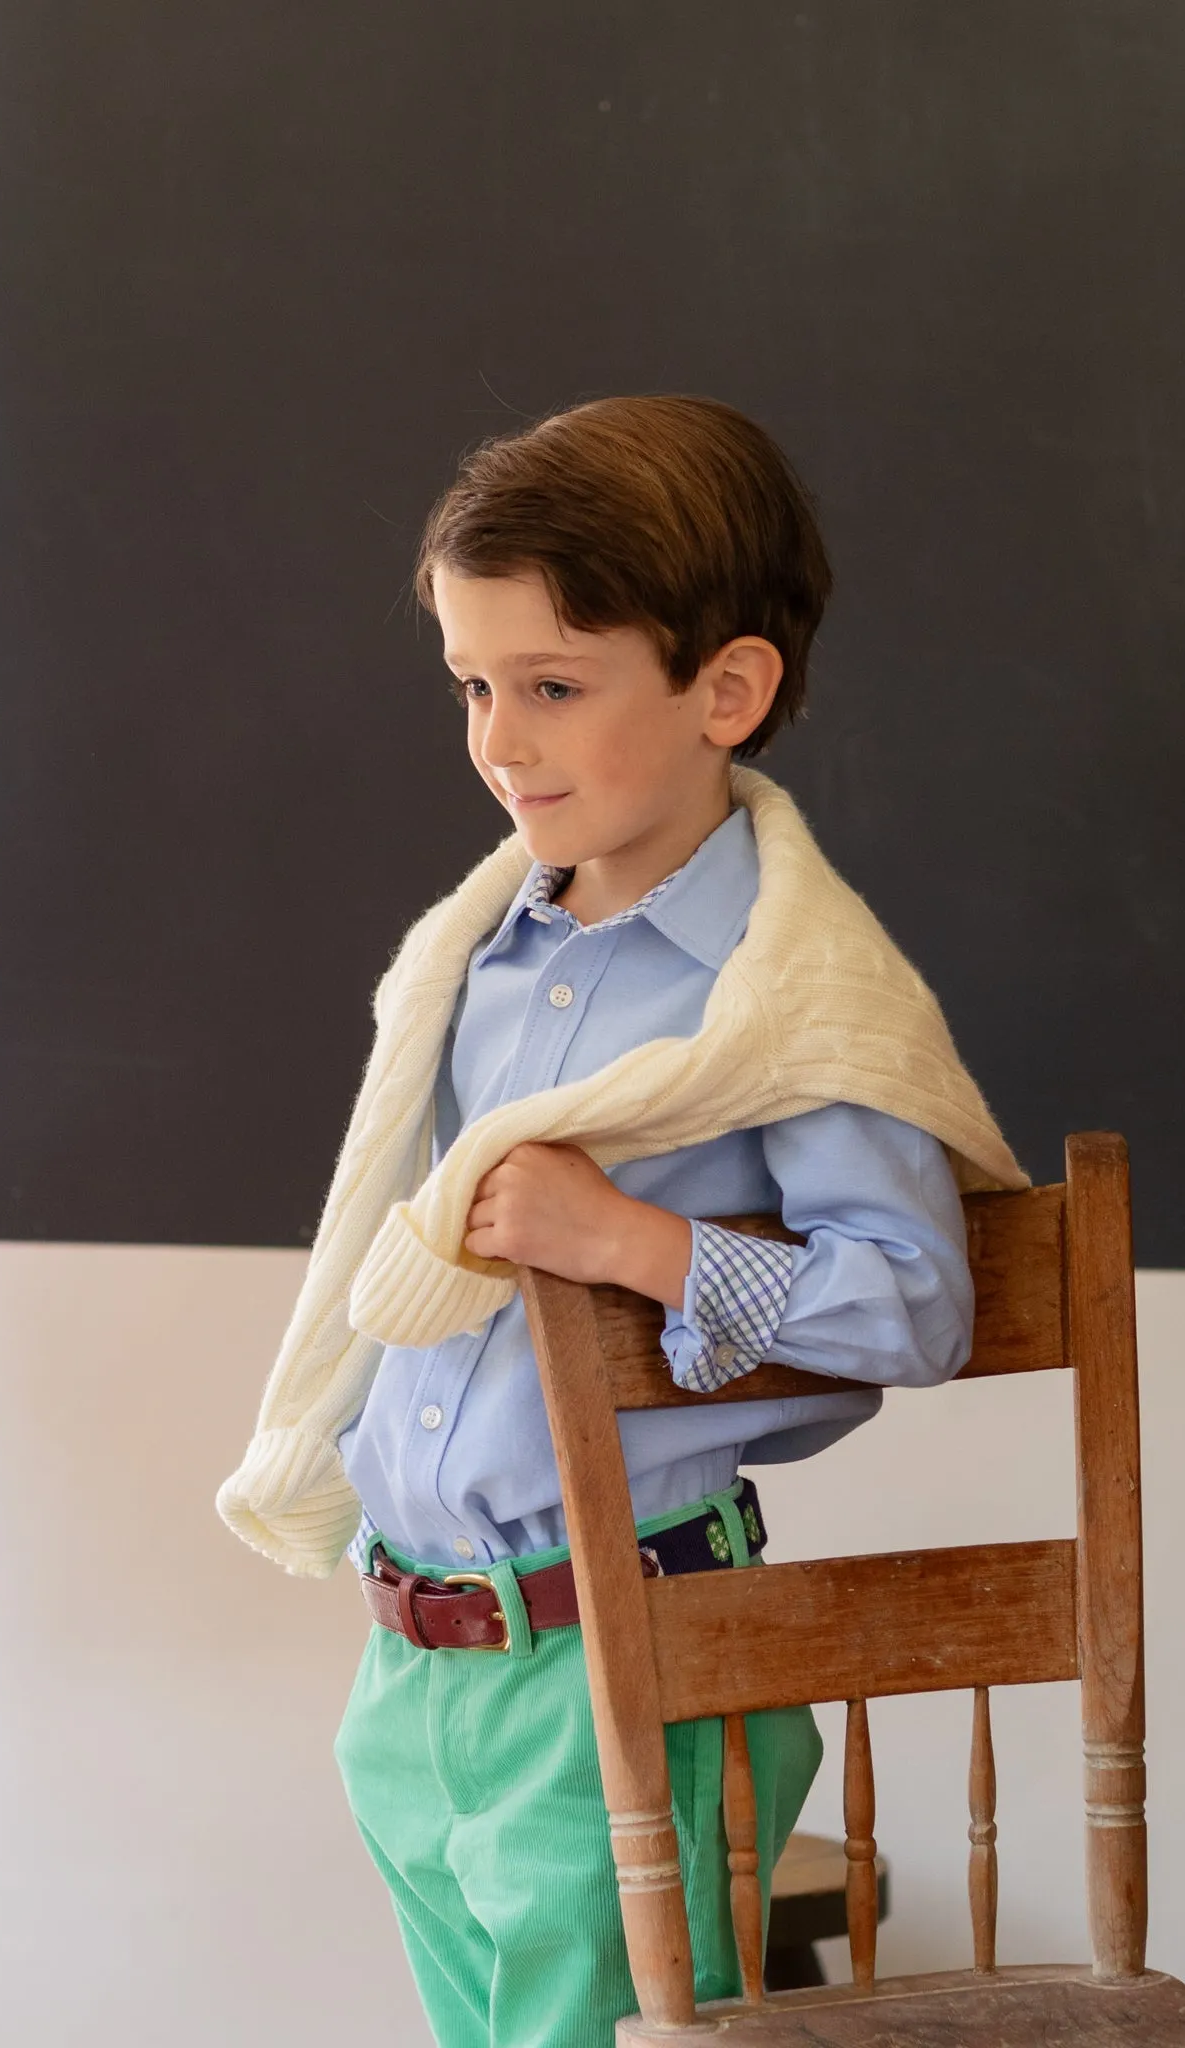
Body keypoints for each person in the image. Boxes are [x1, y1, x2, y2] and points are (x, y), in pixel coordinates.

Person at [217, 395, 1026, 2048]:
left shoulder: (789, 996)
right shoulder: (481, 959)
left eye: (555, 689)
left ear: (727, 691)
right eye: (473, 685)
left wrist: (634, 1244)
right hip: (418, 1659)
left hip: (632, 1663)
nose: (498, 742)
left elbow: (914, 1305)